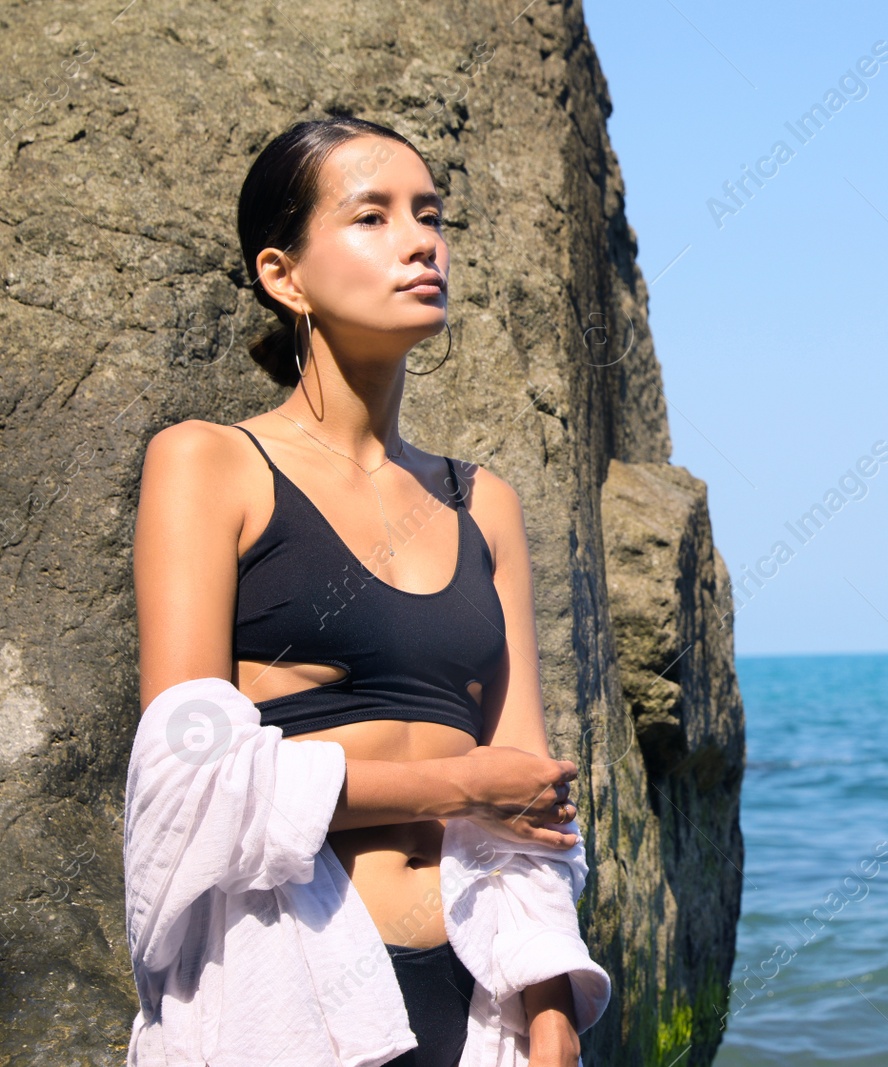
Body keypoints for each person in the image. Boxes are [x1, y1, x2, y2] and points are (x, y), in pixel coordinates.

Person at [131, 116, 600, 1066]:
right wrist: (459, 786)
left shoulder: (483, 502)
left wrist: (551, 1029)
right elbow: (189, 780)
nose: (421, 240)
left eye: (429, 214)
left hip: (476, 999)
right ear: (283, 274)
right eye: (373, 216)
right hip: (289, 986)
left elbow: (534, 803)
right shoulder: (210, 464)